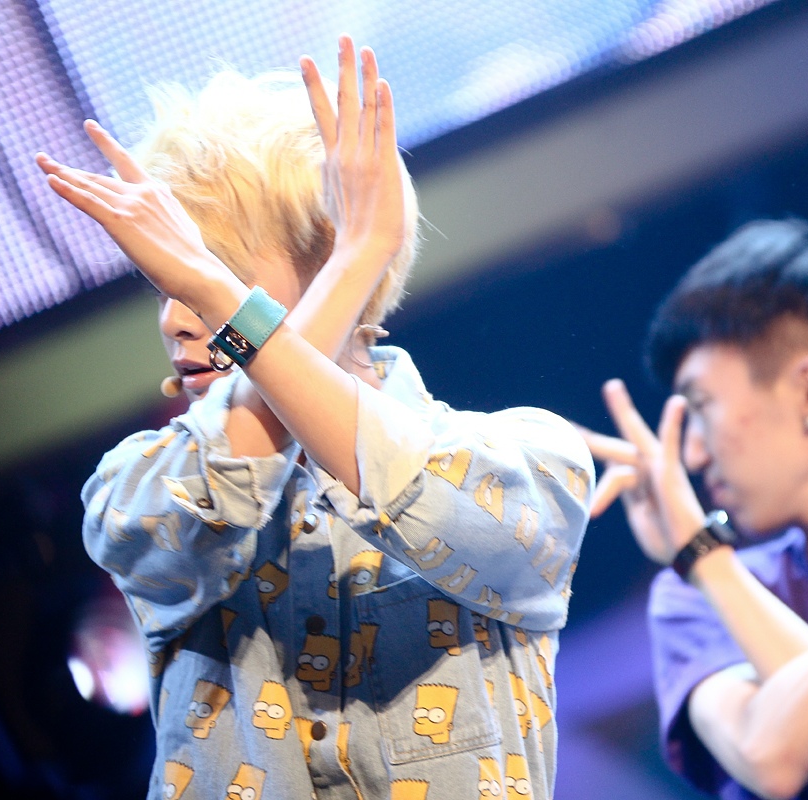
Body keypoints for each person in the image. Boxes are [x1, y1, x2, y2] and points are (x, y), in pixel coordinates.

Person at [36, 37, 593, 799]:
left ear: (332, 263)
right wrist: (355, 256)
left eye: (214, 277)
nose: (175, 317)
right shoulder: (139, 482)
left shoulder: (528, 461)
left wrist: (349, 260)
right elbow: (190, 517)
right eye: (167, 283)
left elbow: (436, 498)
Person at [582, 219, 808, 800]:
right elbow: (771, 755)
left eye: (701, 406)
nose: (693, 455)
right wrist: (705, 559)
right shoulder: (698, 593)